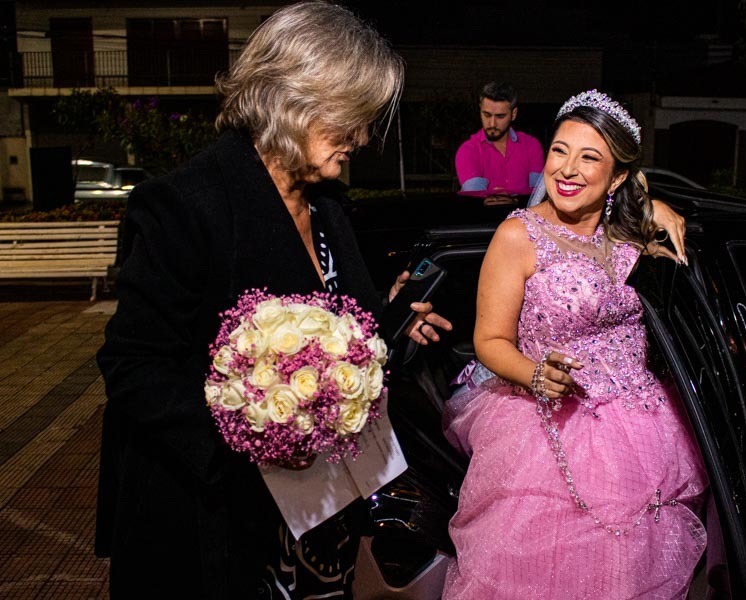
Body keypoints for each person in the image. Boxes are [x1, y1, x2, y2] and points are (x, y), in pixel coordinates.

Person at [94, 2, 450, 598]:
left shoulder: (329, 209)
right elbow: (133, 366)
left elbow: (336, 336)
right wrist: (257, 436)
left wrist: (391, 330)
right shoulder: (185, 205)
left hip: (317, 523)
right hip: (212, 519)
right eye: (352, 118)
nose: (361, 138)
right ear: (297, 98)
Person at [442, 89, 709, 599]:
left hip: (645, 434)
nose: (567, 169)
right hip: (548, 432)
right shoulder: (518, 236)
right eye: (560, 151)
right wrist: (537, 374)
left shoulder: (629, 235)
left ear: (617, 177)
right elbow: (489, 339)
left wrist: (656, 204)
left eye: (590, 157)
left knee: (631, 573)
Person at [454, 81, 545, 200]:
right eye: (486, 115)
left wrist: (506, 198)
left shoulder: (531, 146)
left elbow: (537, 197)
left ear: (513, 114)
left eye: (500, 116)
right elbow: (475, 199)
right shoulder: (468, 150)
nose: (492, 123)